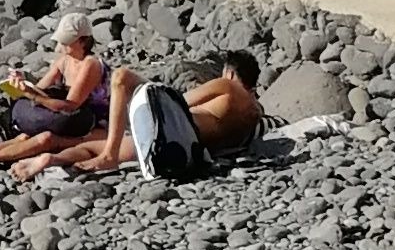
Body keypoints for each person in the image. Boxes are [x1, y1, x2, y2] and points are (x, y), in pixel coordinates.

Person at [22, 50, 263, 182]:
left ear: (229, 73)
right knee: (98, 146)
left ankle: (107, 156)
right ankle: (51, 159)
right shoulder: (254, 115)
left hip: (175, 125)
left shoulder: (228, 86)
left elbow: (180, 101)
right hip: (187, 143)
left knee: (121, 77)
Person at [0, 21, 109, 172]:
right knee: (26, 134)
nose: (61, 46)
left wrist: (33, 96)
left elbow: (70, 106)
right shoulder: (65, 60)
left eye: (66, 42)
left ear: (82, 41)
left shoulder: (90, 64)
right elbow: (40, 89)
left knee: (46, 138)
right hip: (71, 118)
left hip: (95, 126)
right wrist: (22, 84)